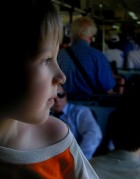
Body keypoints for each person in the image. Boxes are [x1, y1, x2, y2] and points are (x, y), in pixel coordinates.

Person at [0, 0, 99, 178]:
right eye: (46, 60)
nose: (62, 77)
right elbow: (107, 85)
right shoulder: (56, 142)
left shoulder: (59, 141)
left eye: (56, 58)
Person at [57, 16, 116, 95]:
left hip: (63, 103)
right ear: (92, 37)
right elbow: (108, 88)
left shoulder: (60, 54)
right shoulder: (98, 56)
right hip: (91, 104)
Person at [51, 85, 103, 160]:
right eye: (53, 96)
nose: (57, 100)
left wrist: (76, 159)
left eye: (61, 95)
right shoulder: (45, 116)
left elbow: (94, 134)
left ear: (66, 95)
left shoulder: (80, 111)